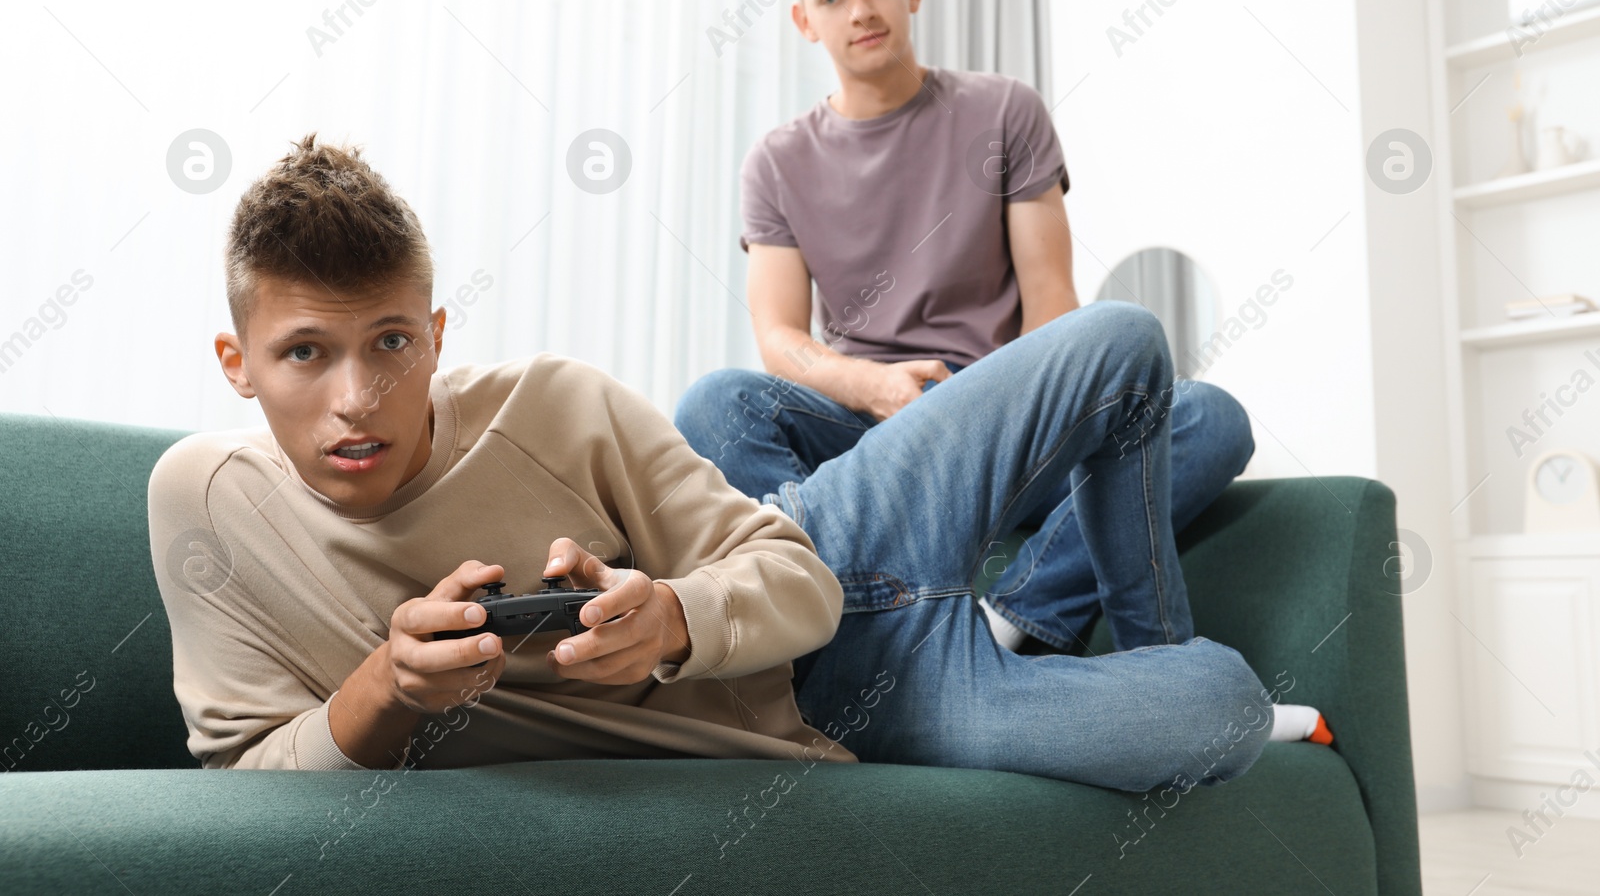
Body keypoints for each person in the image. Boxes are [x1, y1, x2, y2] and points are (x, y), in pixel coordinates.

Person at [148, 134, 1283, 792]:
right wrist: (384, 688)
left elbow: (792, 571)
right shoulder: (205, 502)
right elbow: (247, 778)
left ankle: (1005, 599)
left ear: (436, 336)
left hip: (832, 545)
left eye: (391, 343)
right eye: (306, 353)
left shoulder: (551, 400)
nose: (358, 398)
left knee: (1136, 353)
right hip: (844, 715)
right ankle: (1003, 618)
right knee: (1222, 707)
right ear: (236, 362)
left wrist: (674, 618)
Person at [674, 0, 1255, 661]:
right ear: (804, 21)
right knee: (715, 403)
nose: (861, 10)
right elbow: (779, 336)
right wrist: (876, 388)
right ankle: (854, 635)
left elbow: (1053, 303)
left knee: (1208, 416)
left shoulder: (1005, 110)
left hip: (1012, 422)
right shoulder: (777, 163)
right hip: (869, 429)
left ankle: (1014, 619)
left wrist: (984, 411)